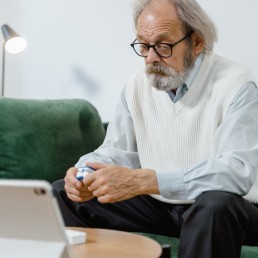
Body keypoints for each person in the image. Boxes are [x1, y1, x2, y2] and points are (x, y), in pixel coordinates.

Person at [53, 0, 258, 257]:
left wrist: (149, 180)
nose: (150, 58)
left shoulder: (236, 84)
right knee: (62, 193)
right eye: (143, 45)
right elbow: (118, 151)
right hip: (162, 206)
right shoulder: (137, 84)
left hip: (229, 208)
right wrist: (83, 172)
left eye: (163, 45)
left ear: (196, 42)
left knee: (215, 203)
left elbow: (235, 173)